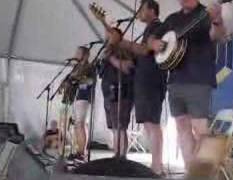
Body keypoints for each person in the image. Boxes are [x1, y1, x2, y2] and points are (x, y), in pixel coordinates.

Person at [147, 0, 227, 170]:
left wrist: (217, 20)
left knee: (200, 129)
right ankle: (190, 171)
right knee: (182, 127)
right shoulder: (172, 19)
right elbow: (152, 37)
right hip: (175, 80)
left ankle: (206, 174)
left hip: (198, 78)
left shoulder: (205, 14)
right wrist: (154, 43)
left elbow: (219, 36)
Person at [115, 0, 167, 175]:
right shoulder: (148, 29)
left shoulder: (158, 26)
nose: (138, 12)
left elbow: (146, 50)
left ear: (152, 10)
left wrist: (123, 43)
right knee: (148, 124)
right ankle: (155, 164)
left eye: (142, 9)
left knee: (152, 123)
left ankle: (157, 167)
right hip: (144, 81)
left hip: (152, 81)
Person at [101, 27, 135, 158]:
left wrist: (111, 58)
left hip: (122, 91)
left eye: (110, 35)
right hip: (108, 93)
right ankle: (116, 154)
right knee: (114, 127)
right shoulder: (106, 51)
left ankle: (121, 156)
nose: (107, 38)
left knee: (121, 127)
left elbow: (129, 67)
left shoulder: (124, 49)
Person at [69, 46, 94, 162]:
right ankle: (78, 150)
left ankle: (82, 152)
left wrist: (79, 79)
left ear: (85, 55)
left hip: (84, 97)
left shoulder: (89, 67)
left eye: (78, 52)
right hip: (76, 97)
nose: (76, 54)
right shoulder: (76, 67)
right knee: (76, 125)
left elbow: (91, 81)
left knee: (80, 124)